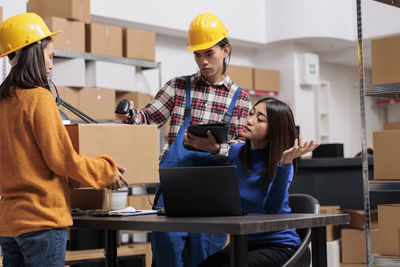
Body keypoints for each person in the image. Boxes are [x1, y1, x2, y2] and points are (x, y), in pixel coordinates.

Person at [116, 12, 252, 267]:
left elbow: (241, 147)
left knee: (207, 259)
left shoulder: (241, 99)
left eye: (209, 53)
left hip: (214, 194)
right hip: (174, 189)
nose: (202, 61)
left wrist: (215, 149)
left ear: (226, 50)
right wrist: (130, 114)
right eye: (197, 55)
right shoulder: (177, 87)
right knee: (167, 254)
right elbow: (149, 117)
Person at [0, 13, 128, 267]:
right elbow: (62, 159)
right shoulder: (39, 99)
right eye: (50, 57)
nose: (51, 65)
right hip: (42, 221)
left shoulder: (4, 102)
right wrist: (106, 170)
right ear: (35, 54)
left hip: (9, 224)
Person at [193, 97, 320, 267]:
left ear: (275, 129)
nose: (250, 120)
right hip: (244, 243)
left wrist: (284, 163)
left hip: (279, 246)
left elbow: (273, 209)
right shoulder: (237, 152)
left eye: (260, 119)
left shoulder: (282, 164)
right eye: (251, 113)